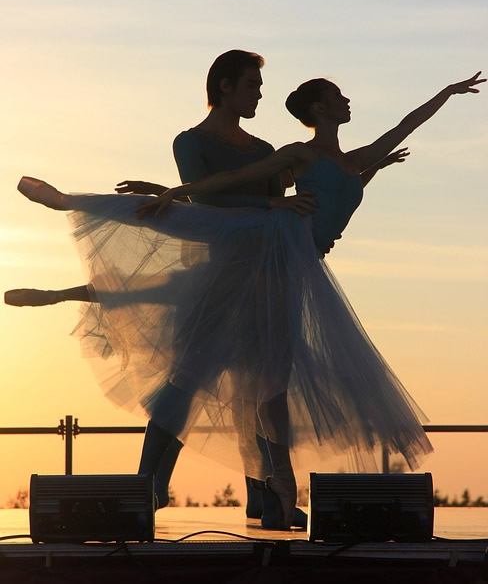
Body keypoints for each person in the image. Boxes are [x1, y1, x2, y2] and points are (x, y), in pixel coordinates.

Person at [11, 70, 483, 529]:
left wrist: (446, 92)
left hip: (294, 260)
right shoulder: (279, 152)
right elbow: (223, 198)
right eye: (253, 85)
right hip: (270, 248)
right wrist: (172, 193)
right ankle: (68, 203)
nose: (259, 93)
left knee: (269, 380)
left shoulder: (347, 160)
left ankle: (274, 487)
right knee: (221, 373)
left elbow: (397, 133)